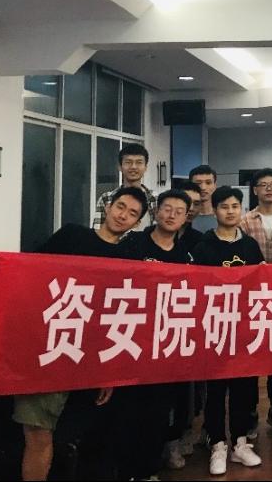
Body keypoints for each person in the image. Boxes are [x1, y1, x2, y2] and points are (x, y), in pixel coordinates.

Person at [0, 187, 148, 481]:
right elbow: (30, 267)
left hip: (90, 357)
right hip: (49, 343)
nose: (123, 215)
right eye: (120, 206)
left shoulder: (128, 259)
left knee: (73, 439)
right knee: (37, 432)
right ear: (108, 207)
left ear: (137, 223)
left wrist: (109, 372)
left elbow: (120, 316)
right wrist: (1, 266)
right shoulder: (72, 235)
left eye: (132, 213)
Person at [117, 189, 193, 478]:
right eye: (167, 209)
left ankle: (148, 469)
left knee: (158, 410)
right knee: (128, 409)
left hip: (166, 343)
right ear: (156, 212)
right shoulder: (133, 243)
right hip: (130, 337)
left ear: (186, 218)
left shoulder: (186, 256)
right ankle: (124, 470)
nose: (172, 215)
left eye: (179, 211)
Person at [189, 186, 264, 476]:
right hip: (214, 327)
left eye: (235, 206)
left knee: (244, 389)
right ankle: (218, 443)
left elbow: (261, 283)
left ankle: (240, 443)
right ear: (215, 210)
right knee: (217, 390)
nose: (230, 211)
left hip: (244, 328)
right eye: (224, 206)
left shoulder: (250, 246)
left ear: (241, 209)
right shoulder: (204, 247)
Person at [238, 169, 272, 438]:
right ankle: (249, 413)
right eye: (263, 185)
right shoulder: (244, 221)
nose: (269, 189)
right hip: (251, 297)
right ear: (255, 189)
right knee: (251, 355)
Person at [92, 143, 157, 230]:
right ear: (120, 167)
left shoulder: (155, 198)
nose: (133, 167)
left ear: (145, 168)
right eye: (128, 162)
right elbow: (97, 232)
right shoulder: (106, 198)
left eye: (139, 162)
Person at [174, 180, 206, 252]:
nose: (191, 208)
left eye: (196, 204)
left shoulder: (200, 240)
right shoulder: (154, 234)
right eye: (187, 202)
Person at [189, 165, 219, 233]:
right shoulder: (183, 217)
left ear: (215, 186)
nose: (203, 187)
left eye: (208, 183)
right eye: (198, 183)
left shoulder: (223, 216)